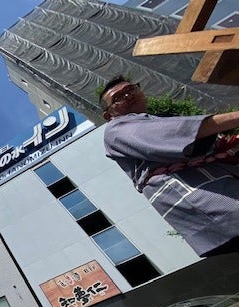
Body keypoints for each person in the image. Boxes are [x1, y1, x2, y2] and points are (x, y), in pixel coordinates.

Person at [101, 75, 239, 258]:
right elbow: (181, 132)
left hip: (215, 190)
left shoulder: (153, 119)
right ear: (109, 115)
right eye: (117, 98)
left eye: (130, 89)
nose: (127, 96)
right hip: (205, 196)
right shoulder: (115, 129)